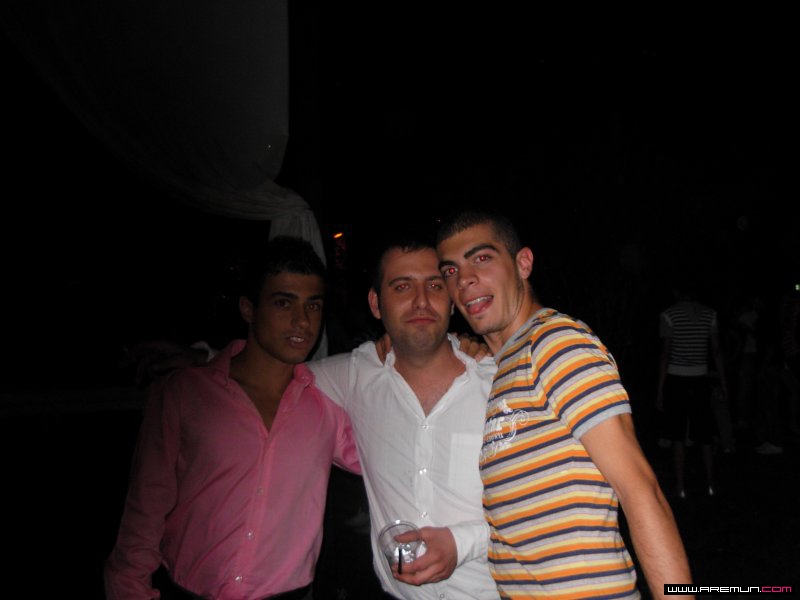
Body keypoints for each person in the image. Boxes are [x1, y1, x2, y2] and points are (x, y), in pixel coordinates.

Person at [436, 208, 694, 600]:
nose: (464, 279)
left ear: (523, 264)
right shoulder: (507, 367)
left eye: (482, 258)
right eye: (451, 270)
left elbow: (640, 490)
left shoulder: (555, 343)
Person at [104, 236, 361, 600]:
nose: (302, 320)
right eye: (283, 302)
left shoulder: (326, 407)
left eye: (313, 305)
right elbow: (145, 508)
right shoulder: (186, 393)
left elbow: (390, 460)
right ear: (248, 308)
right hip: (186, 590)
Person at [309, 237, 500, 599]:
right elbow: (277, 373)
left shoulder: (499, 382)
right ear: (375, 304)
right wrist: (202, 356)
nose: (421, 301)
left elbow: (543, 503)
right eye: (402, 287)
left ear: (451, 300)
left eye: (435, 286)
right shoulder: (356, 374)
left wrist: (462, 543)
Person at [656, 282, 728, 497]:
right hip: (700, 378)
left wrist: (660, 389)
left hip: (677, 378)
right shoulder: (710, 314)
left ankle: (680, 487)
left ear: (677, 292)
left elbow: (665, 354)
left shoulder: (669, 314)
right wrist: (724, 382)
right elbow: (716, 351)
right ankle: (710, 483)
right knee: (705, 433)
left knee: (677, 435)